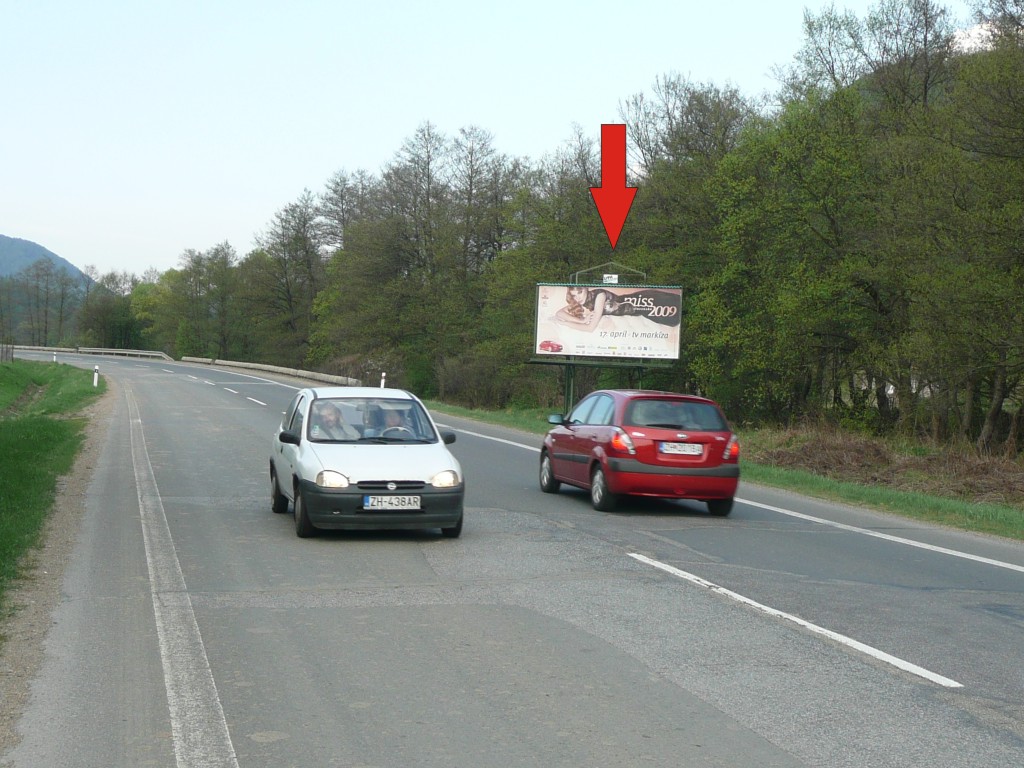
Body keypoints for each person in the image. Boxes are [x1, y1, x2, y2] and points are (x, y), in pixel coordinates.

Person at [553, 286, 680, 333]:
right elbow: (559, 313)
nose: (578, 297)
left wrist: (565, 323)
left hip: (643, 302)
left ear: (586, 288)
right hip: (641, 308)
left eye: (580, 292)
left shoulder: (599, 296)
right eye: (574, 295)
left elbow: (590, 328)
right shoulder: (583, 302)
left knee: (675, 307)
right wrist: (580, 321)